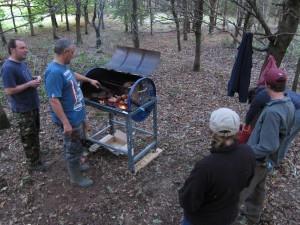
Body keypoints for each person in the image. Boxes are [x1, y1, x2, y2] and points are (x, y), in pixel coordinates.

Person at [178, 108, 256, 225]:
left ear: (212, 131)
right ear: (237, 129)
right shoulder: (248, 152)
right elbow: (247, 183)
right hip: (228, 216)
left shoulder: (206, 167)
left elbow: (189, 202)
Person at [239, 68, 295, 224]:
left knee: (241, 190)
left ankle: (227, 218)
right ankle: (252, 218)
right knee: (258, 190)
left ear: (267, 85)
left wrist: (244, 150)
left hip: (258, 160)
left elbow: (267, 146)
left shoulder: (273, 112)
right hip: (267, 160)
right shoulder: (288, 103)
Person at [44, 38, 100, 188]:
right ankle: (76, 177)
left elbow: (72, 74)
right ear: (66, 52)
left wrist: (89, 80)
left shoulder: (63, 67)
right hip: (69, 119)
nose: (73, 55)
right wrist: (66, 123)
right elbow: (54, 100)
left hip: (76, 116)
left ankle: (77, 165)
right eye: (72, 53)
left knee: (77, 144)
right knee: (73, 148)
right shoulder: (54, 72)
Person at [1, 39, 45, 172]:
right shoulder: (8, 67)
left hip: (32, 105)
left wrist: (34, 78)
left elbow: (24, 79)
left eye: (25, 47)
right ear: (13, 50)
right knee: (28, 136)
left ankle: (36, 154)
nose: (26, 50)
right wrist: (29, 84)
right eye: (22, 48)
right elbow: (9, 90)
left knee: (34, 131)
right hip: (22, 109)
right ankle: (34, 163)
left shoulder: (21, 63)